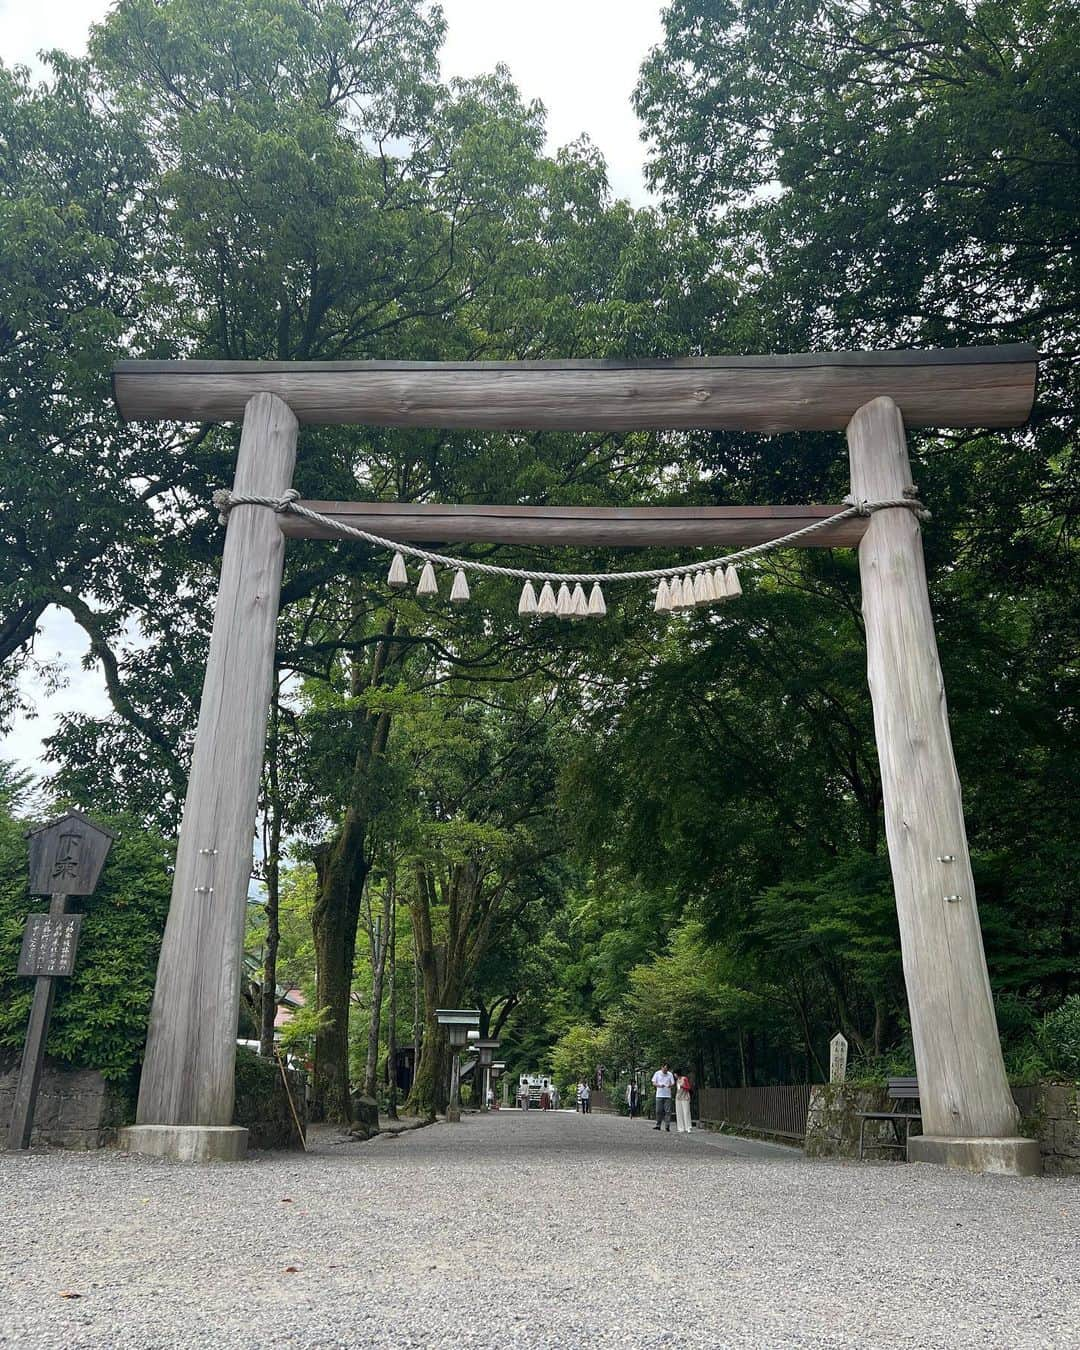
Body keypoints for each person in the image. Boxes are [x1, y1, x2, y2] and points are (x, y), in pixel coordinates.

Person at [652, 1062, 675, 1131]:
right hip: (659, 1095)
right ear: (661, 1068)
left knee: (668, 1111)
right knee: (658, 1111)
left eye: (666, 1069)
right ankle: (658, 1125)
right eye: (664, 1068)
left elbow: (673, 1083)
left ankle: (667, 1126)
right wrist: (659, 1085)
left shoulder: (670, 1074)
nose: (665, 1070)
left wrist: (669, 1085)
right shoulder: (657, 1073)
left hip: (667, 1095)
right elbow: (653, 1082)